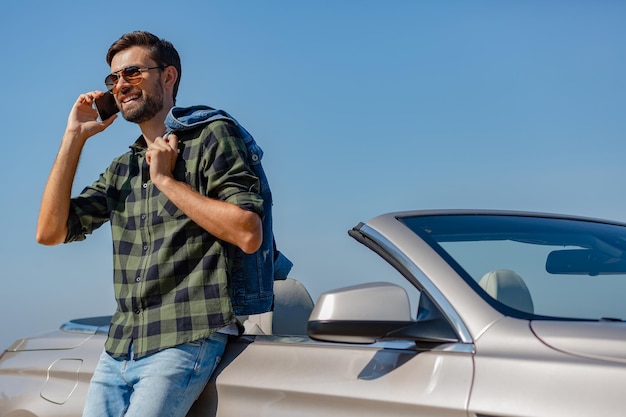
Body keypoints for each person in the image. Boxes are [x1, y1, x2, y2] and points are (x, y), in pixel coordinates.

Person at [36, 31, 283, 417]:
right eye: (113, 79)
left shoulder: (212, 136)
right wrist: (74, 137)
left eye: (132, 73)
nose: (120, 85)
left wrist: (167, 181)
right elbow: (50, 232)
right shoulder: (123, 169)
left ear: (168, 77)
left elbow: (248, 232)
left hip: (185, 338)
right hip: (119, 348)